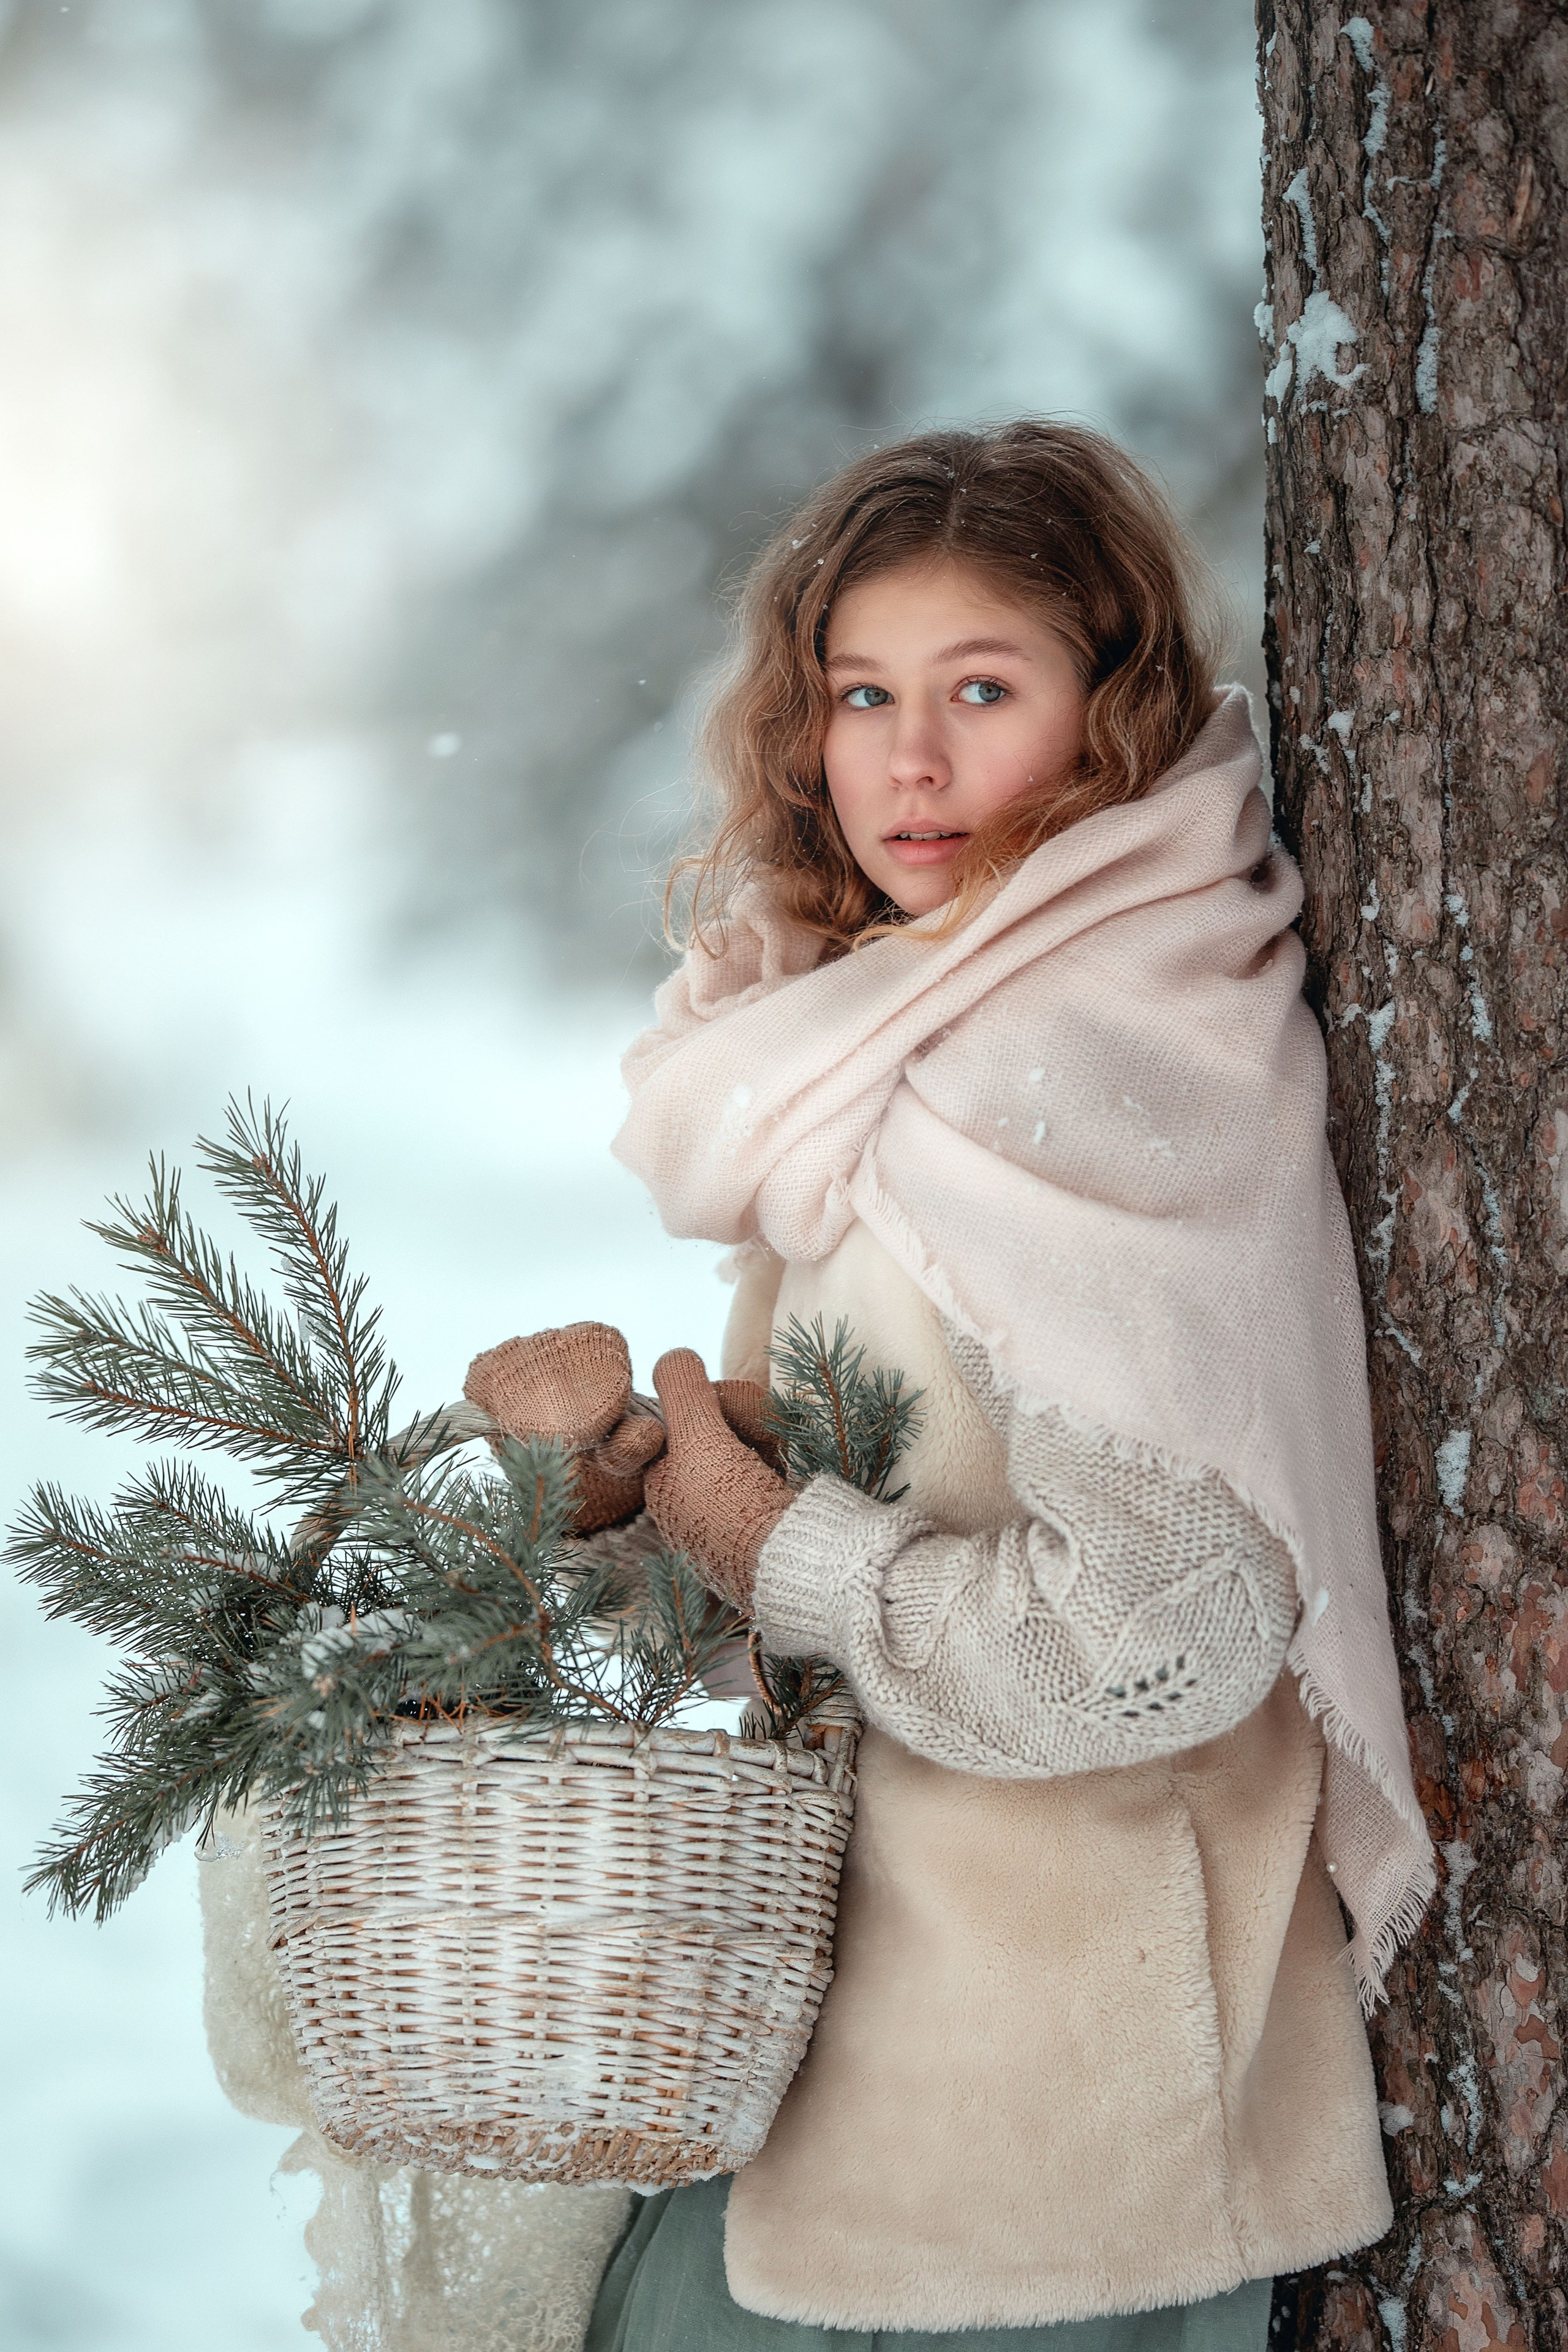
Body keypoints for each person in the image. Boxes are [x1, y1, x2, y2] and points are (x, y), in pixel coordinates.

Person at [463, 420, 1438, 2349]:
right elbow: (837, 1557)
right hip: (826, 2013)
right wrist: (630, 1512)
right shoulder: (875, 1047)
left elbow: (1168, 1637)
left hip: (1060, 2119)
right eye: (862, 694)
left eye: (982, 689)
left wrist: (776, 1542)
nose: (909, 761)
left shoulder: (1100, 1058)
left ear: (1110, 709)